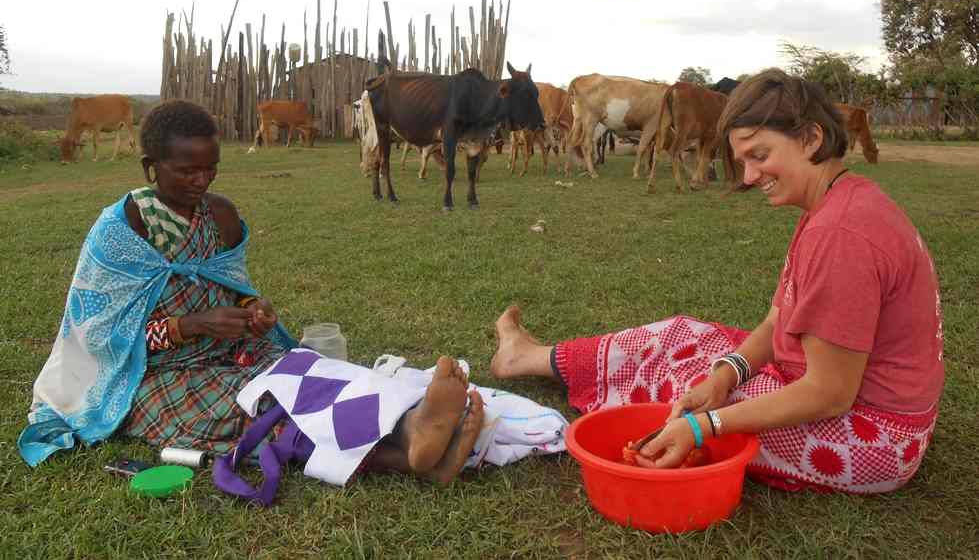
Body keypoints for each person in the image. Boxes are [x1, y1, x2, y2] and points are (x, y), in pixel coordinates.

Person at [491, 70, 944, 494]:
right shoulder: (835, 202)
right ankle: (532, 356)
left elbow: (828, 394)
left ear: (811, 138)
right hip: (835, 392)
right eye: (742, 160)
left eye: (760, 156)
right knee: (683, 336)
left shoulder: (841, 234)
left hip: (874, 436)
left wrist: (704, 427)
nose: (748, 177)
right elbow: (776, 321)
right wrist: (728, 375)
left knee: (675, 385)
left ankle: (534, 361)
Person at [20, 99, 483, 486]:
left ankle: (413, 424)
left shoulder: (220, 215)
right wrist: (190, 326)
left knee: (310, 374)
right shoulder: (121, 230)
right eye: (187, 171)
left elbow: (235, 289)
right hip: (149, 377)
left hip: (234, 350)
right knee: (256, 407)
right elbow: (99, 339)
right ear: (150, 167)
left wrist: (252, 309)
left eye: (210, 170)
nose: (201, 182)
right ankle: (405, 451)